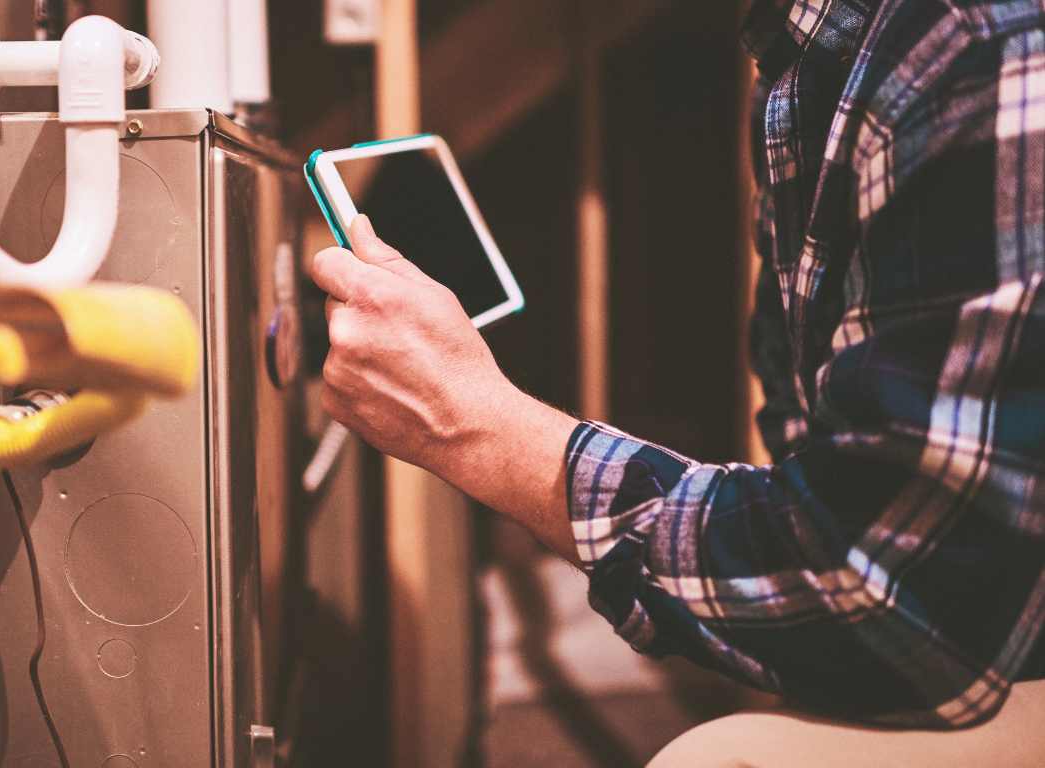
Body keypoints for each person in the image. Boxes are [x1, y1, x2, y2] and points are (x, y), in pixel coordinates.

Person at [311, 0, 1045, 762]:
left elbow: (905, 592)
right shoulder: (799, 61)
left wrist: (484, 431)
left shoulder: (972, 43)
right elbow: (809, 438)